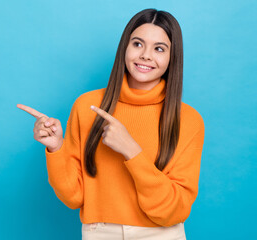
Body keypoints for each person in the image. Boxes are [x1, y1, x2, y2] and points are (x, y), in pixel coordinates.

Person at [17, 8, 205, 240]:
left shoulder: (187, 119)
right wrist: (56, 148)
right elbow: (74, 197)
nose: (146, 55)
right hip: (99, 232)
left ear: (172, 57)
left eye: (159, 48)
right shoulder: (88, 106)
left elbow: (174, 210)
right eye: (137, 44)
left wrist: (132, 151)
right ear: (124, 48)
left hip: (161, 234)